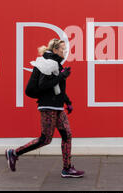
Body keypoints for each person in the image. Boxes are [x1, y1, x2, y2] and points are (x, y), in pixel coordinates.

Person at [5, 38, 85, 178]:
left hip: (57, 106)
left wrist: (68, 102)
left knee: (67, 135)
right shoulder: (48, 63)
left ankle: (66, 168)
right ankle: (14, 153)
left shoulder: (56, 63)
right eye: (62, 48)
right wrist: (62, 76)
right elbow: (43, 85)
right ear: (54, 50)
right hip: (48, 106)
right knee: (45, 139)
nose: (64, 51)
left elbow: (57, 88)